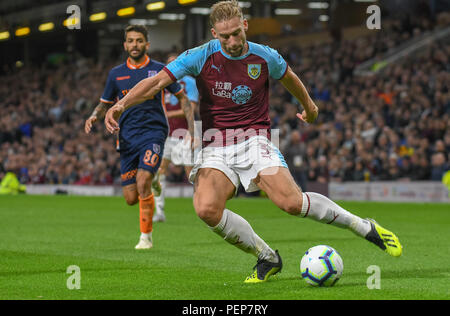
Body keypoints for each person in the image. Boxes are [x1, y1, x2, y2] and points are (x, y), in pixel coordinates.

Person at [105, 1, 402, 282]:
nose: (232, 41)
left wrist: (309, 106)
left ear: (245, 25)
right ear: (214, 34)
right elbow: (156, 82)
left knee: (291, 203)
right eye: (225, 36)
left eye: (237, 33)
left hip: (254, 140)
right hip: (215, 145)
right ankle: (267, 257)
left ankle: (363, 226)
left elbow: (289, 78)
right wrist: (120, 105)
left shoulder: (264, 56)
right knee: (206, 208)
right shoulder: (201, 55)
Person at [85, 25, 194, 250]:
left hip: (154, 132)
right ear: (125, 45)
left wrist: (193, 130)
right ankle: (152, 182)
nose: (135, 45)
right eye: (131, 41)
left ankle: (146, 237)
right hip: (126, 138)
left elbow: (183, 98)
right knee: (131, 198)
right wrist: (94, 116)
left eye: (139, 40)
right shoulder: (115, 74)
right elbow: (104, 104)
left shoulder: (160, 71)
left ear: (147, 44)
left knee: (143, 180)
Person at [152, 53, 200, 223]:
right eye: (169, 64)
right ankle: (159, 211)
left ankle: (203, 207)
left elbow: (191, 108)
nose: (172, 67)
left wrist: (168, 113)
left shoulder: (190, 82)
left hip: (183, 133)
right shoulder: (162, 84)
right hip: (165, 134)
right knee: (159, 171)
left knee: (190, 173)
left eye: (175, 63)